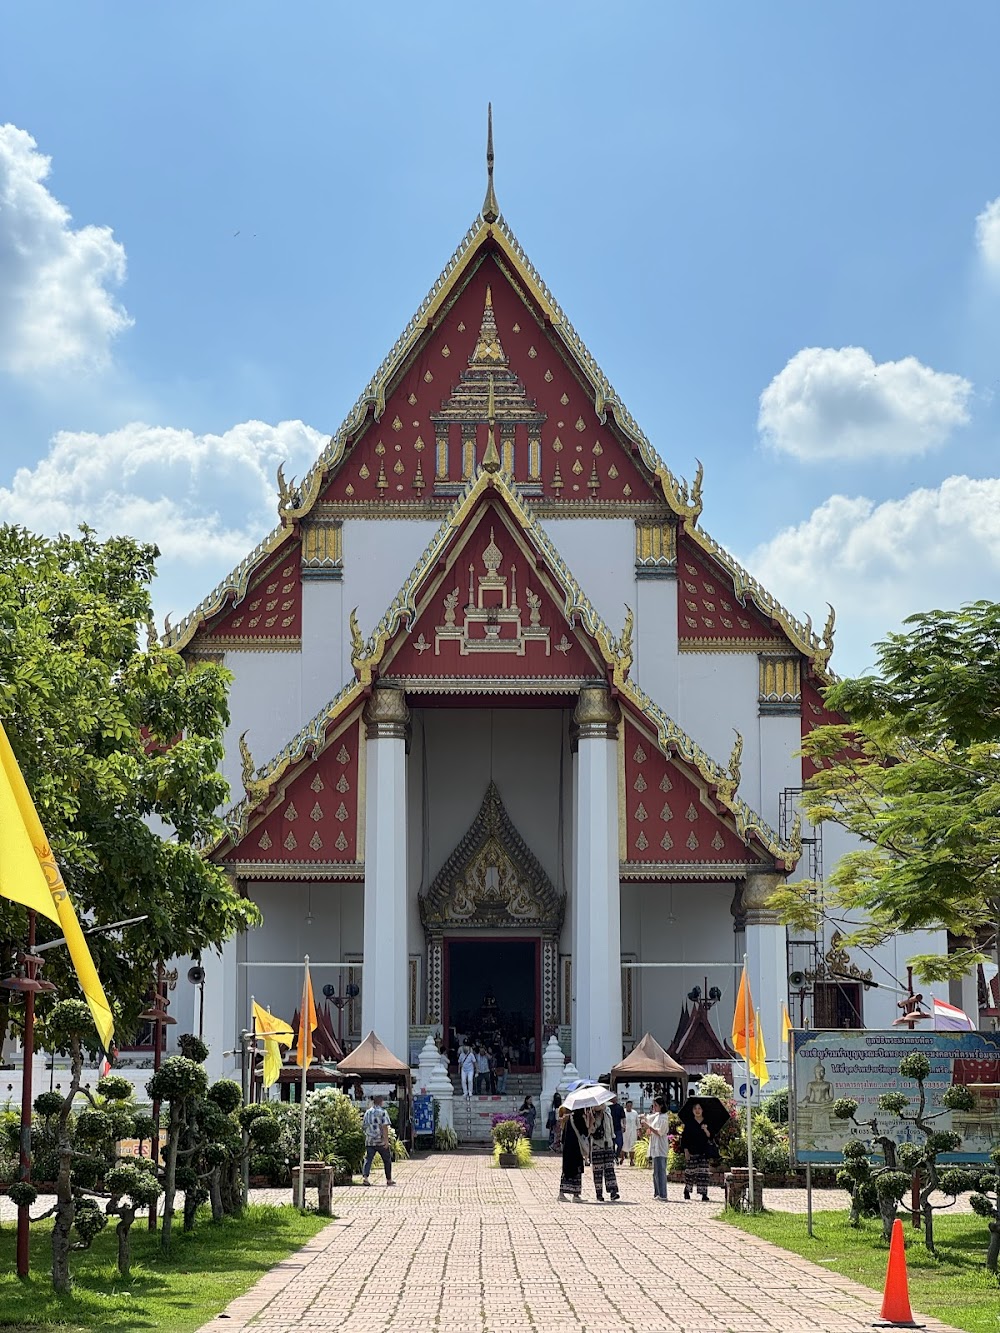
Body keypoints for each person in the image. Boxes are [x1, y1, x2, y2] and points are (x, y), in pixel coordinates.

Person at [679, 1100, 717, 1202]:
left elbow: (711, 1136)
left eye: (699, 1108)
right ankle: (687, 1190)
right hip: (692, 1151)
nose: (697, 1110)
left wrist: (706, 1130)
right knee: (690, 1173)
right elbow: (685, 1138)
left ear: (702, 1110)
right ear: (692, 1110)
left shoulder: (707, 1122)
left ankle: (704, 1193)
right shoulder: (689, 1123)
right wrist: (686, 1151)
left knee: (703, 1173)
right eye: (695, 1108)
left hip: (704, 1151)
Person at [587, 1104, 620, 1201]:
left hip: (608, 1145)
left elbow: (611, 1131)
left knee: (610, 1169)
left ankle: (613, 1191)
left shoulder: (608, 1116)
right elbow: (590, 1131)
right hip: (597, 1145)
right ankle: (599, 1193)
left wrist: (612, 1145)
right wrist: (592, 1119)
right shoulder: (591, 1116)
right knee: (598, 1171)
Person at [361, 1094, 395, 1187]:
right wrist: (386, 1141)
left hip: (369, 1140)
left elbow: (364, 1126)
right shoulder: (383, 1112)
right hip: (380, 1141)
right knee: (387, 1160)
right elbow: (385, 1127)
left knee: (368, 1159)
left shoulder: (367, 1112)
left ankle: (365, 1178)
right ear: (381, 1102)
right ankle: (389, 1179)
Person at [558, 1106, 589, 1202]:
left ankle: (561, 1193)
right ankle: (576, 1195)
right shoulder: (579, 1118)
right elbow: (585, 1132)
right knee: (576, 1171)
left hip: (568, 1149)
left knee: (566, 1170)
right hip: (576, 1149)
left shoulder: (568, 1119)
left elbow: (563, 1137)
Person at [642, 1096, 670, 1201]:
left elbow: (659, 1132)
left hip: (660, 1147)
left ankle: (663, 1194)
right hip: (655, 1147)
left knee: (661, 1172)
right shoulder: (657, 1116)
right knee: (655, 1172)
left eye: (656, 1105)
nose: (654, 1107)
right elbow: (648, 1118)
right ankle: (657, 1192)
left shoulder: (664, 1118)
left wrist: (649, 1127)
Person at [622, 1099, 640, 1166]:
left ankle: (632, 1160)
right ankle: (622, 1158)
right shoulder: (623, 1112)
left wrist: (639, 1130)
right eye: (628, 1106)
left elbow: (637, 1123)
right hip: (625, 1132)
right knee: (623, 1145)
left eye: (630, 1106)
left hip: (633, 1131)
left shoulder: (635, 1113)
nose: (629, 1107)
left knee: (632, 1146)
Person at [610, 1097, 626, 1164]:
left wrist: (624, 1126)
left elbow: (623, 1118)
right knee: (611, 1145)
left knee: (620, 1144)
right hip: (610, 1128)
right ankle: (612, 1158)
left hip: (618, 1128)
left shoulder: (620, 1107)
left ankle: (616, 1155)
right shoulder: (608, 1107)